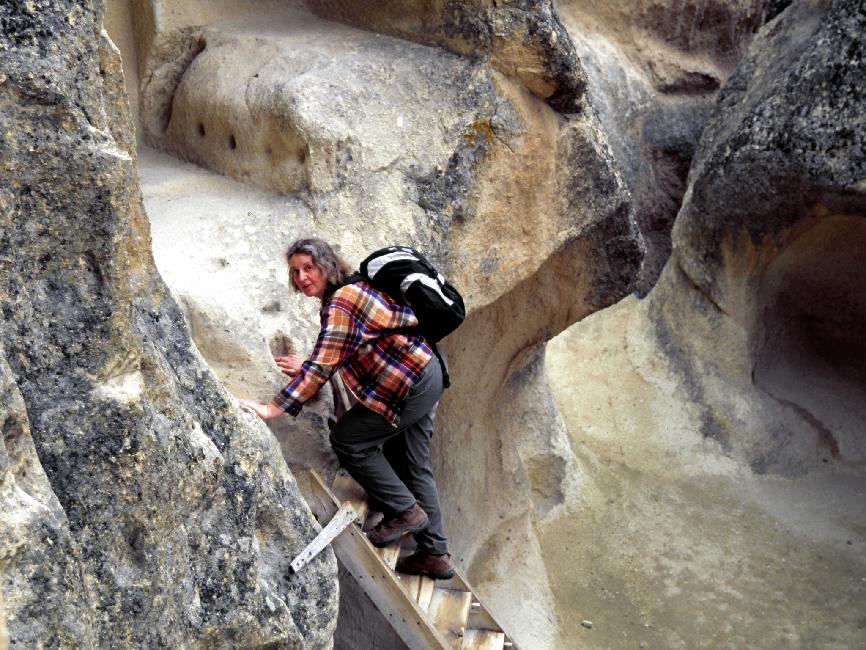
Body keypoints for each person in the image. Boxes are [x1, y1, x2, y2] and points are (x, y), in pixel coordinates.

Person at [240, 238, 454, 580]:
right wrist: (311, 364)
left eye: (308, 268)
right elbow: (348, 348)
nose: (302, 277)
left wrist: (272, 408)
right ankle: (436, 554)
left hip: (410, 381)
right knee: (413, 463)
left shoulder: (341, 301)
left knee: (349, 438)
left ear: (326, 265)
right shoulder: (352, 289)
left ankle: (405, 512)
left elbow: (325, 363)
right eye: (295, 271)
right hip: (426, 370)